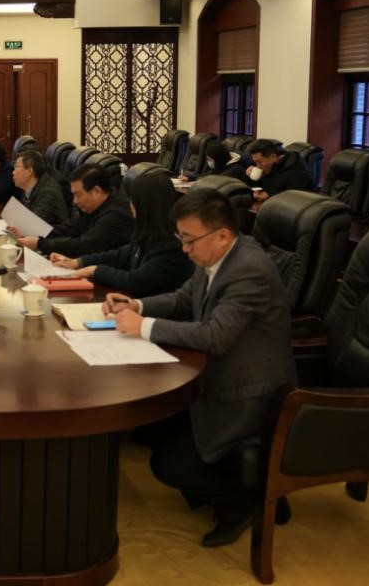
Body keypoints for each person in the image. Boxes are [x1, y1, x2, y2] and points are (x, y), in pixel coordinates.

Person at [105, 189, 295, 547]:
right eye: (182, 239)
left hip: (249, 394)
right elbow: (182, 298)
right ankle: (252, 487)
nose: (184, 249)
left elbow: (215, 335)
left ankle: (245, 502)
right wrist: (138, 305)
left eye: (189, 240)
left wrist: (142, 327)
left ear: (222, 235)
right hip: (213, 375)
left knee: (168, 465)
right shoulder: (217, 257)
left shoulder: (249, 270)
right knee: (152, 430)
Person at [50, 171, 192, 296]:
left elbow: (134, 281)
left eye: (133, 200)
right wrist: (77, 262)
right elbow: (118, 256)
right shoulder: (148, 235)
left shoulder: (172, 247)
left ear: (143, 206)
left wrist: (95, 270)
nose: (130, 205)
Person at [14, 164, 134, 257]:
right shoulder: (92, 207)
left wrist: (40, 244)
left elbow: (85, 246)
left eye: (78, 195)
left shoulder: (116, 214)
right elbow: (70, 229)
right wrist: (31, 232)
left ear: (96, 191)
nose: (74, 201)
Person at [11, 149, 67, 226]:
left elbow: (34, 224)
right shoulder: (29, 186)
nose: (13, 172)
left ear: (29, 171)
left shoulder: (48, 193)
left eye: (16, 167)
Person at [247, 139, 313, 204]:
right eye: (255, 162)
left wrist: (270, 197)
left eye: (260, 162)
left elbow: (295, 202)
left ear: (273, 157)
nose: (258, 166)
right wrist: (251, 176)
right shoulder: (270, 166)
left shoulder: (297, 174)